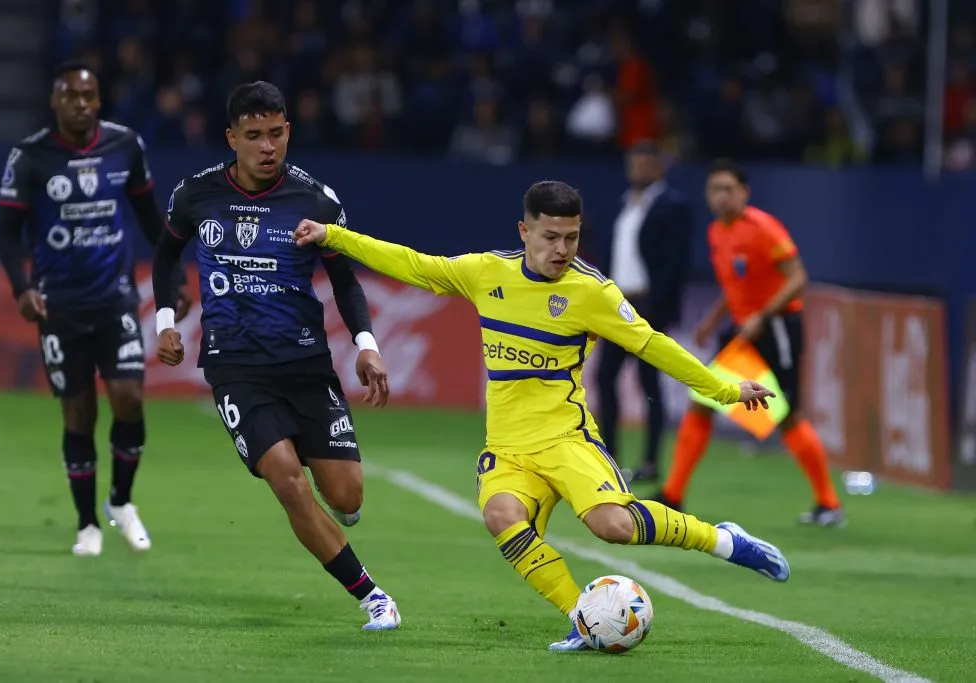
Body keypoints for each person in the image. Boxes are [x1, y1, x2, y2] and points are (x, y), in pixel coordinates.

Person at [292, 180, 789, 651]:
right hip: (509, 449)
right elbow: (414, 265)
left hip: (567, 438)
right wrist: (333, 235)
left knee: (612, 525)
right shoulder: (487, 273)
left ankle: (723, 540)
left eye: (571, 237)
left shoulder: (591, 291)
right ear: (524, 232)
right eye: (551, 236)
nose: (562, 249)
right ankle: (582, 616)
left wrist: (724, 389)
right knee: (500, 515)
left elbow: (654, 345)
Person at [151, 81, 400, 631]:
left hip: (306, 365)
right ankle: (371, 595)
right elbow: (167, 254)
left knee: (346, 494)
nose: (268, 147)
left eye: (277, 134)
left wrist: (366, 347)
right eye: (255, 136)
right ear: (232, 138)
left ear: (288, 131)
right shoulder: (196, 195)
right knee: (287, 479)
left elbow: (345, 281)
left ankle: (336, 499)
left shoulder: (316, 200)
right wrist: (166, 320)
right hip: (235, 366)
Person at [0, 60, 190, 557]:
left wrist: (173, 276)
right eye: (71, 96)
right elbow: (8, 231)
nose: (81, 104)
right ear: (55, 101)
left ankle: (121, 502)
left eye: (89, 95)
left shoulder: (125, 145)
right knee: (78, 415)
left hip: (115, 300)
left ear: (99, 100)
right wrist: (22, 288)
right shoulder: (31, 156)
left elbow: (153, 221)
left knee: (129, 398)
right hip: (58, 307)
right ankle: (87, 524)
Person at [654, 160, 844, 526]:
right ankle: (673, 494)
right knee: (704, 399)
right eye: (715, 190)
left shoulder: (764, 228)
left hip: (777, 330)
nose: (721, 197)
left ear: (744, 192)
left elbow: (798, 278)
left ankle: (829, 504)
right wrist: (711, 321)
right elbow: (735, 286)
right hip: (745, 331)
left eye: (728, 189)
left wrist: (764, 315)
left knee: (787, 417)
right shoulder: (716, 232)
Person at [596, 141, 692, 482]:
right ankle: (608, 455)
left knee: (648, 382)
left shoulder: (672, 206)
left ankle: (650, 461)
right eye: (632, 164)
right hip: (617, 304)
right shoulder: (625, 205)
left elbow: (675, 262)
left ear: (658, 167)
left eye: (643, 164)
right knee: (604, 377)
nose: (637, 170)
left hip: (648, 305)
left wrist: (656, 305)